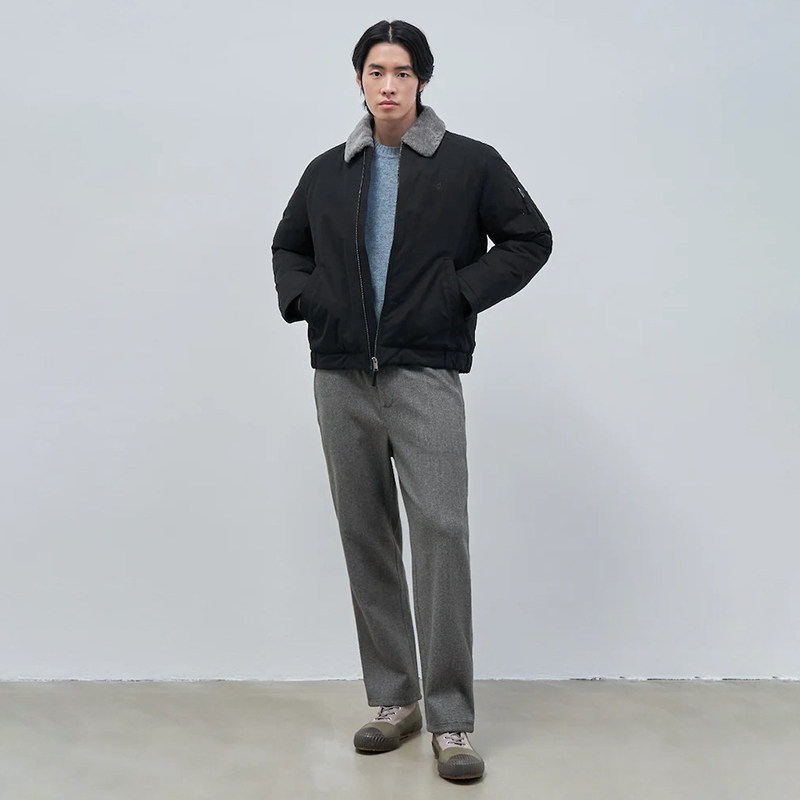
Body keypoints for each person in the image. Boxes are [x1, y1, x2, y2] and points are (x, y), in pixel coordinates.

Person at [271, 19, 552, 782]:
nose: (388, 85)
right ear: (359, 80)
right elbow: (289, 246)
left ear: (422, 80)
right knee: (365, 532)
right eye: (376, 71)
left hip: (424, 374)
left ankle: (451, 720)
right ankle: (394, 700)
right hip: (340, 378)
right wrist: (309, 302)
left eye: (401, 71)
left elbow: (529, 239)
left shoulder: (469, 163)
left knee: (441, 533)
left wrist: (457, 295)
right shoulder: (328, 171)